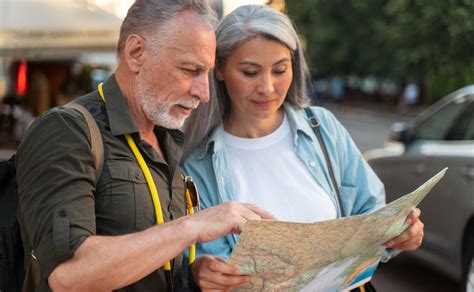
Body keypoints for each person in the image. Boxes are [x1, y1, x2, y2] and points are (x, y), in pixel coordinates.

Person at [15, 1, 273, 291]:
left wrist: (195, 274)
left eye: (207, 73)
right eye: (190, 69)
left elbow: (150, 263)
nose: (204, 93)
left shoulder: (168, 137)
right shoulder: (65, 130)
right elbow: (68, 276)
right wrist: (192, 226)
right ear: (136, 53)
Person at [181, 5, 424, 291]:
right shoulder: (197, 164)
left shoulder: (323, 128)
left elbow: (372, 214)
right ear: (219, 69)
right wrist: (202, 272)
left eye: (280, 70)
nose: (268, 88)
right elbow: (206, 261)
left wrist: (401, 233)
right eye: (250, 72)